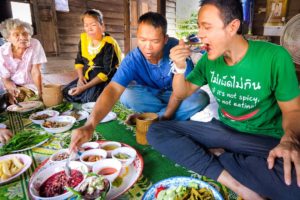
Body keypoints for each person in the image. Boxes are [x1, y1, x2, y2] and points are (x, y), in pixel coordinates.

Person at [147, 0, 300, 199]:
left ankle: (219, 157)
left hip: (263, 139)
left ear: (233, 27)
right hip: (222, 131)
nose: (200, 34)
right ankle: (236, 182)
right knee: (157, 131)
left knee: (295, 186)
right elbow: (181, 92)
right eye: (199, 26)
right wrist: (179, 67)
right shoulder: (207, 61)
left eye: (206, 27)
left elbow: (293, 111)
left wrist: (289, 140)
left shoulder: (274, 57)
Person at [70, 12, 209, 150]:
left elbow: (182, 91)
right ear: (137, 36)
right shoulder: (133, 59)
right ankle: (166, 117)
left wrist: (165, 117)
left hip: (178, 94)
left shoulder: (177, 51)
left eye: (155, 41)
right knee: (126, 94)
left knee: (200, 98)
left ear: (165, 39)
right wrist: (90, 125)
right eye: (142, 40)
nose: (147, 47)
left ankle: (150, 119)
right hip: (150, 96)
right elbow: (113, 89)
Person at [62, 9, 122, 103]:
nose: (89, 29)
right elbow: (79, 61)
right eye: (86, 25)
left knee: (89, 99)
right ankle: (84, 90)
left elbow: (107, 72)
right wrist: (81, 78)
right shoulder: (84, 40)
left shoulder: (109, 44)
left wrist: (84, 87)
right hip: (87, 76)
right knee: (66, 92)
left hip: (102, 79)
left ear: (102, 26)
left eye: (93, 25)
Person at [0, 18, 47, 104]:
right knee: (7, 100)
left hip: (30, 85)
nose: (22, 37)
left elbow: (35, 71)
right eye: (16, 35)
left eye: (25, 33)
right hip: (10, 85)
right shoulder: (2, 52)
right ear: (8, 38)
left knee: (30, 100)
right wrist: (12, 89)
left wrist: (41, 93)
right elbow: (5, 78)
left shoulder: (35, 44)